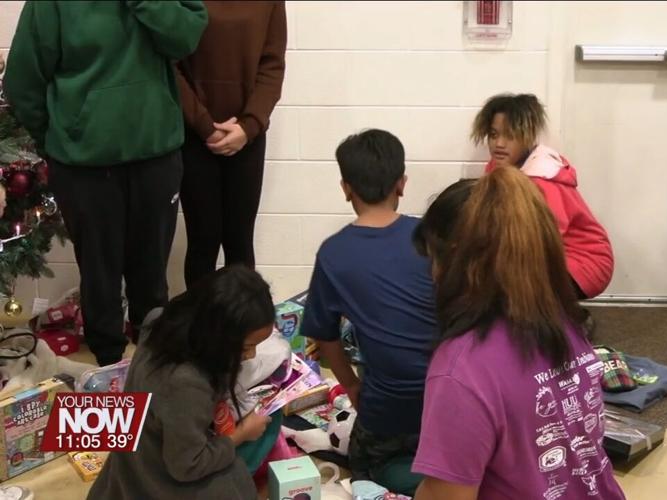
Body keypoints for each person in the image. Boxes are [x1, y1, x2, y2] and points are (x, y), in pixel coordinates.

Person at [3, 1, 208, 366]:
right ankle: (108, 365)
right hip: (83, 167)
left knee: (151, 275)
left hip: (156, 156)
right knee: (100, 275)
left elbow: (185, 39)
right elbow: (22, 80)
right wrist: (60, 139)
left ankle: (154, 363)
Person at [410, 167, 625, 500]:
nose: (433, 275)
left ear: (453, 259)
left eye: (433, 261)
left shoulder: (461, 369)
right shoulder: (565, 323)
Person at [300, 129, 438, 496]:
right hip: (449, 402)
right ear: (402, 183)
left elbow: (324, 335)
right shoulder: (431, 236)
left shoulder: (333, 252)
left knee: (367, 465)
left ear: (346, 188)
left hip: (384, 411)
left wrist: (351, 385)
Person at [87, 266, 274, 500]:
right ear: (219, 335)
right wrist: (241, 435)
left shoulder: (159, 319)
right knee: (239, 482)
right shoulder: (186, 382)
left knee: (267, 420)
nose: (251, 355)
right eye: (247, 347)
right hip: (156, 479)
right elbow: (187, 466)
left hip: (133, 461)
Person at [176, 0, 287, 288]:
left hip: (247, 138)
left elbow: (272, 65)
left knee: (240, 242)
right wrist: (204, 125)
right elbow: (170, 65)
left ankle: (243, 318)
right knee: (203, 240)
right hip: (195, 137)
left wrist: (248, 127)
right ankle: (202, 318)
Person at [471, 93, 613, 299]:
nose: (499, 143)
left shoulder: (542, 180)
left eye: (510, 135)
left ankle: (562, 313)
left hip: (583, 262)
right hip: (551, 255)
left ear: (528, 136)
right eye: (493, 135)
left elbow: (544, 238)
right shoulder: (498, 167)